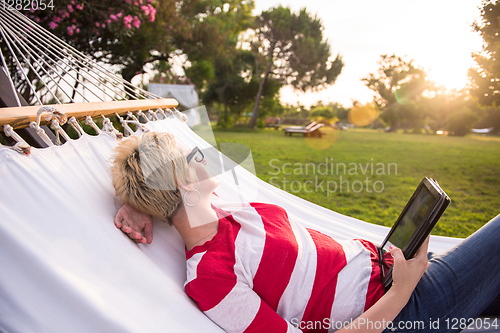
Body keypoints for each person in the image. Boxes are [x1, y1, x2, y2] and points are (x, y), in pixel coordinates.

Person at [111, 131, 500, 333]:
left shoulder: (224, 212)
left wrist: (136, 203)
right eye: (192, 157)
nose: (204, 154)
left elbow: (163, 193)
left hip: (394, 270)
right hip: (399, 311)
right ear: (184, 184)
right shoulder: (212, 277)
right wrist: (400, 292)